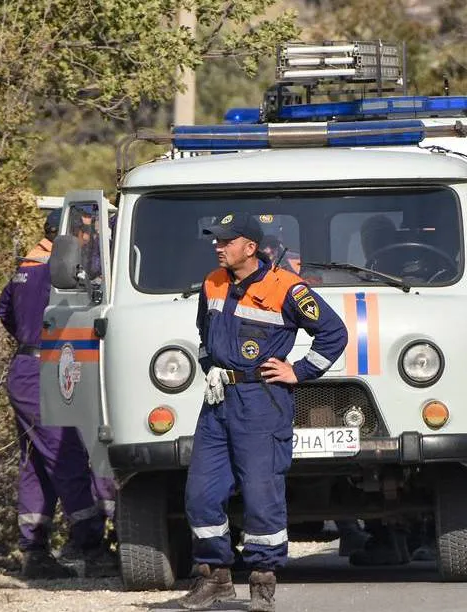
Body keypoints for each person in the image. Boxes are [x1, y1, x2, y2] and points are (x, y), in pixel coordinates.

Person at [178, 212, 348, 612]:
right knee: (200, 493)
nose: (217, 246)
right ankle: (214, 577)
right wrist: (212, 368)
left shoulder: (286, 287)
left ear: (249, 247)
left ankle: (262, 582)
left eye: (226, 240)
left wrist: (299, 371)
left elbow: (334, 332)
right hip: (219, 402)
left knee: (261, 493)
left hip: (261, 401)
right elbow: (204, 333)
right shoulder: (213, 282)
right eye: (216, 240)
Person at [0, 208, 115, 579]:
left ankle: (35, 549)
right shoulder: (54, 270)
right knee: (67, 459)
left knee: (35, 462)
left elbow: (4, 313)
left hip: (28, 369)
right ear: (69, 234)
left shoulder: (24, 267)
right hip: (49, 370)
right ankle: (92, 547)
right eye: (87, 234)